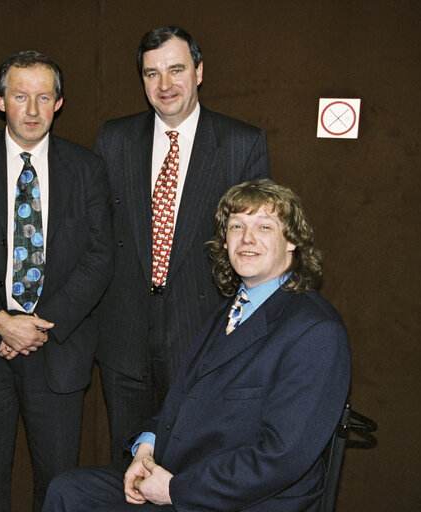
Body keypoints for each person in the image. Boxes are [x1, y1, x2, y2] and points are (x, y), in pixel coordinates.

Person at [43, 179, 351, 511]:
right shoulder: (230, 309)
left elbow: (281, 458)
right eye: (236, 226)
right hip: (184, 474)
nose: (247, 239)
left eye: (264, 226)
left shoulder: (315, 330)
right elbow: (183, 401)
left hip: (246, 499)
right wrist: (146, 448)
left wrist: (177, 489)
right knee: (69, 491)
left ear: (292, 240)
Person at [0, 50, 113, 511]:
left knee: (58, 488)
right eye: (20, 96)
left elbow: (100, 258)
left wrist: (37, 325)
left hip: (58, 351)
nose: (32, 111)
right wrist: (0, 322)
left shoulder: (87, 168)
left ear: (59, 103)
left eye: (43, 98)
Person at [94, 25, 271, 463]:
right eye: (152, 74)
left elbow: (258, 247)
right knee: (128, 471)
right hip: (124, 341)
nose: (165, 84)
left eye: (176, 69)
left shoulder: (240, 143)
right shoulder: (112, 140)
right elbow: (94, 237)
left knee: (191, 472)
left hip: (203, 338)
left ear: (199, 71)